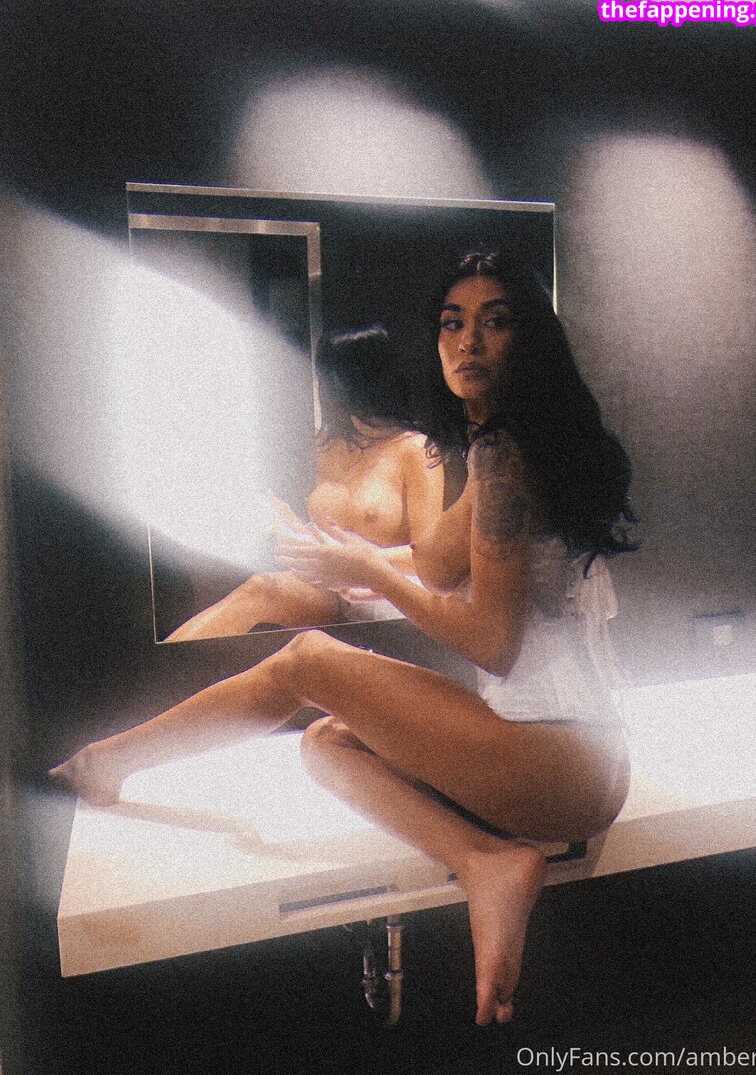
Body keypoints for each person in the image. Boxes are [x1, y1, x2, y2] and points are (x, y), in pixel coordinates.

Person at [50, 249, 636, 1027]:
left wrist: (371, 572)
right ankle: (487, 861)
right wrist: (351, 556)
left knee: (307, 658)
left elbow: (491, 642)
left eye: (495, 322)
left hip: (560, 756)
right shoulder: (503, 444)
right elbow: (438, 561)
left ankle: (105, 762)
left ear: (530, 338)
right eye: (452, 323)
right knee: (327, 743)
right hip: (570, 753)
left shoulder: (505, 459)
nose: (468, 341)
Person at [165, 324, 443, 640]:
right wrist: (287, 525)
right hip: (328, 588)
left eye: (352, 376)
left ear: (380, 378)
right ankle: (159, 663)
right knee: (260, 587)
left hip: (387, 591)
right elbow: (310, 533)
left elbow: (433, 562)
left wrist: (359, 563)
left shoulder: (415, 450)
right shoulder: (324, 446)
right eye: (332, 377)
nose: (339, 388)